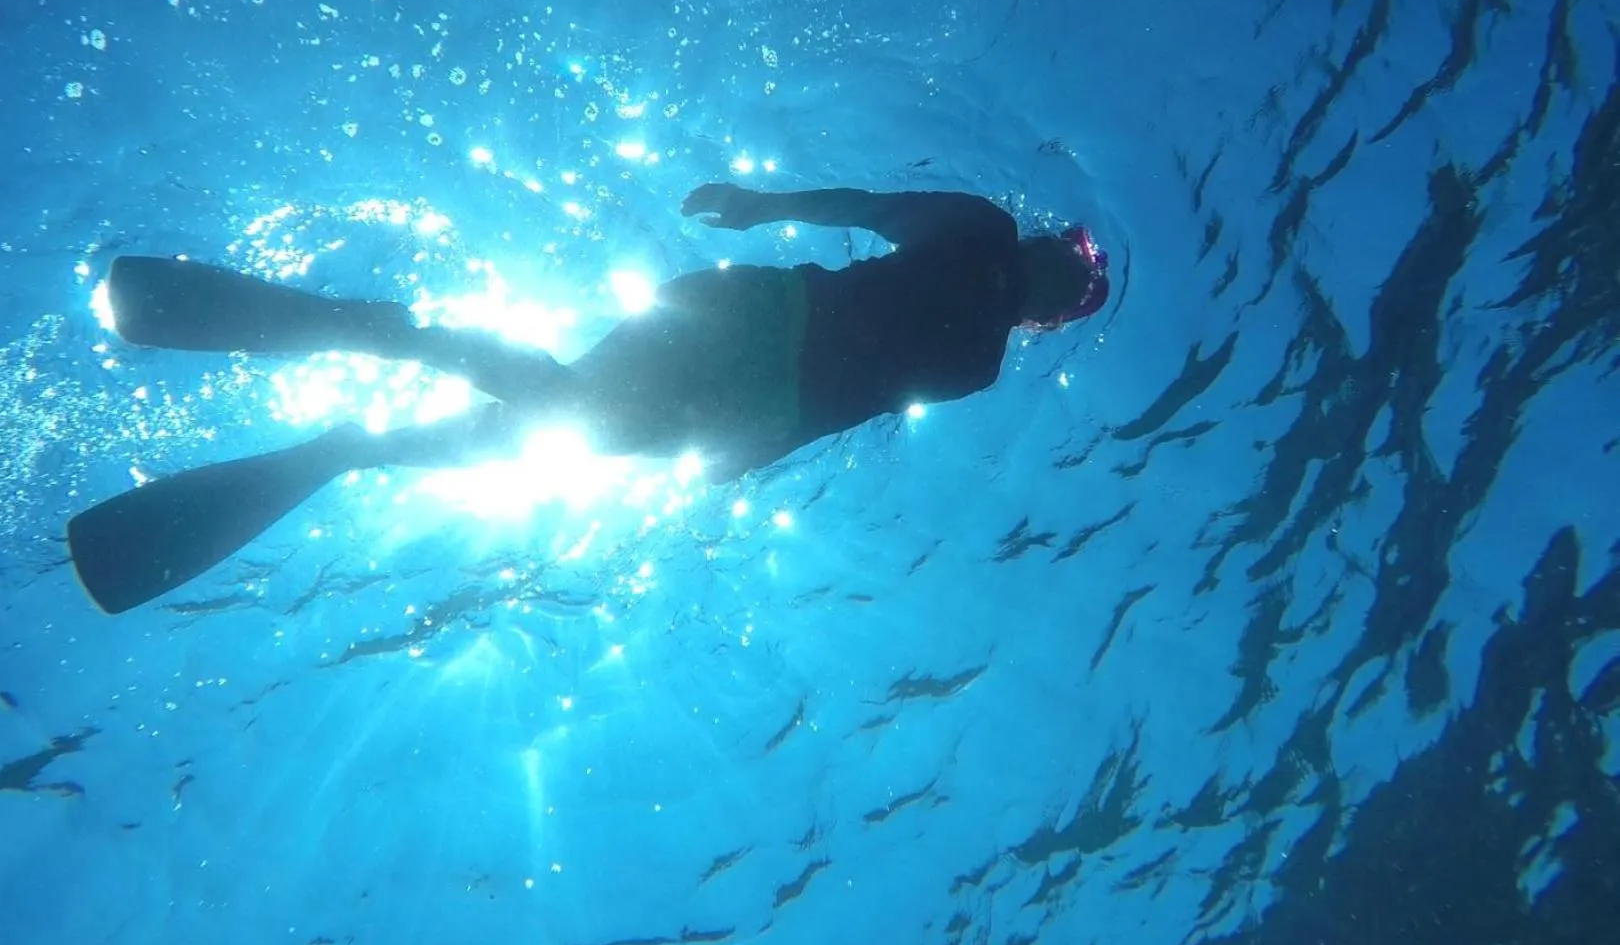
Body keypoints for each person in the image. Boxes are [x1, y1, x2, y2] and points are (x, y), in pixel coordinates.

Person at [68, 182, 1110, 613]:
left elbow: (853, 395)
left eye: (1080, 281)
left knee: (553, 418)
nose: (1068, 272)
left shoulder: (981, 355)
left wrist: (728, 459)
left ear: (1050, 316)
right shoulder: (975, 236)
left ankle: (356, 434)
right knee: (564, 409)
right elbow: (873, 213)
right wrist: (762, 206)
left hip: (739, 398)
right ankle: (384, 342)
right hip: (746, 339)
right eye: (1075, 255)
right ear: (1043, 251)